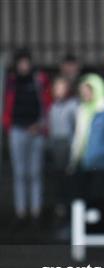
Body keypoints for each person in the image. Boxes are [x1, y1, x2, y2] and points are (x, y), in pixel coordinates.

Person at [2, 48, 51, 225]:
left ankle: (35, 210)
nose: (23, 66)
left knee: (35, 172)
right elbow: (6, 105)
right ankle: (21, 211)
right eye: (20, 62)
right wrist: (9, 125)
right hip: (17, 129)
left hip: (35, 130)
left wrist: (40, 125)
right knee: (20, 173)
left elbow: (45, 103)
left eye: (26, 62)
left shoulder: (39, 80)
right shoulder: (12, 82)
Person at [68, 74, 104, 199]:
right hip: (84, 164)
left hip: (103, 165)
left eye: (87, 91)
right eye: (82, 91)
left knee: (100, 198)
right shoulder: (81, 110)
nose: (85, 94)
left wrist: (100, 154)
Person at [48, 76, 78, 223]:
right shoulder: (53, 107)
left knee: (69, 180)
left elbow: (76, 129)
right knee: (58, 180)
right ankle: (61, 210)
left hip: (68, 145)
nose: (58, 91)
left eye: (61, 87)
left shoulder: (73, 105)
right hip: (56, 146)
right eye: (56, 88)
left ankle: (71, 211)